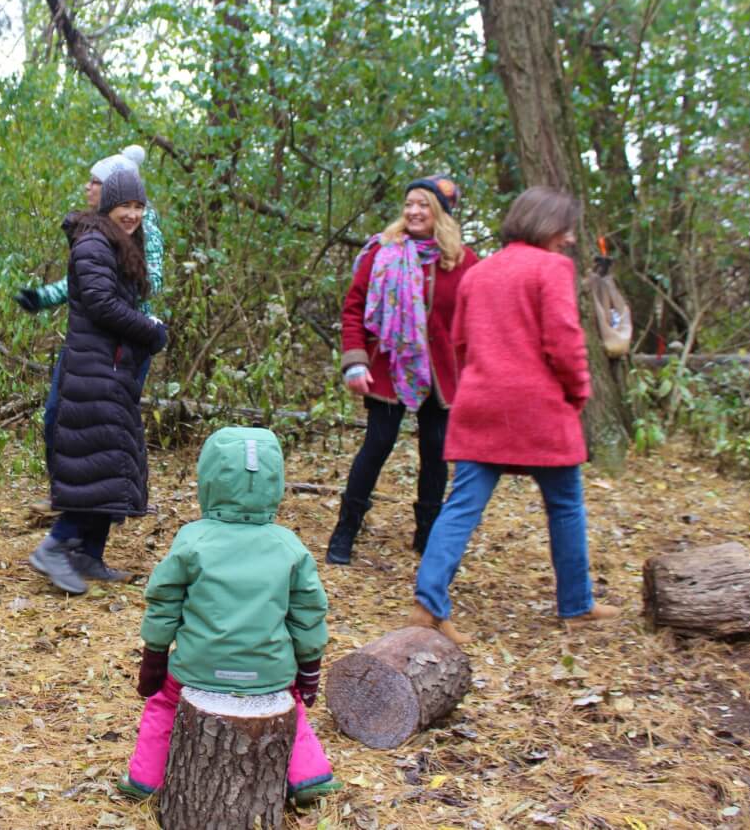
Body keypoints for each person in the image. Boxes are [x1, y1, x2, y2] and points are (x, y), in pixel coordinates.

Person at [409, 187, 621, 644]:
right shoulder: (552, 268)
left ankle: (428, 606)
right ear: (547, 225)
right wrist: (578, 393)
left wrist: (476, 387)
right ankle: (576, 604)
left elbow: (459, 343)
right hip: (539, 405)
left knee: (461, 506)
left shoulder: (479, 271)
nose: (568, 239)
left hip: (480, 401)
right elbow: (563, 341)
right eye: (564, 229)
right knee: (565, 504)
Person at [119, 427, 340, 806]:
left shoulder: (192, 540)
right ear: (275, 482)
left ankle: (145, 779)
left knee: (163, 704)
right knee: (295, 711)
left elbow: (163, 602)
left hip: (196, 668)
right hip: (270, 673)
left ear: (208, 479)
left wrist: (154, 658)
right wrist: (309, 671)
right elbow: (308, 615)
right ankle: (310, 775)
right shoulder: (289, 546)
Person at [324, 175, 478, 565]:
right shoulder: (383, 251)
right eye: (409, 204)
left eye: (423, 205)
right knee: (377, 444)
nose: (413, 211)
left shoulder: (463, 260)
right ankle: (345, 531)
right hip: (387, 366)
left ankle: (427, 537)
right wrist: (354, 360)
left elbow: (477, 317)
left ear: (441, 213)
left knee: (435, 451)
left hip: (442, 374)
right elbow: (354, 308)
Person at [27, 167, 167, 595]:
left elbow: (135, 290)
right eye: (126, 205)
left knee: (114, 459)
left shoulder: (121, 242)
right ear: (108, 205)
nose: (133, 214)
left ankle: (89, 554)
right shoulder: (93, 243)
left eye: (139, 206)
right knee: (100, 462)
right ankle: (54, 547)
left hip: (114, 367)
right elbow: (102, 304)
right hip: (94, 368)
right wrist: (151, 331)